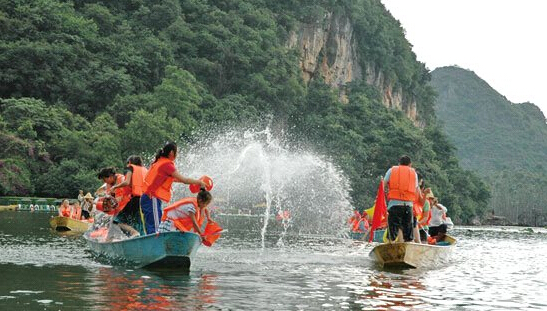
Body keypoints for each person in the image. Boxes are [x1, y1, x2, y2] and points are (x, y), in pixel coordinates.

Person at [140, 142, 207, 235]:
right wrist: (200, 182)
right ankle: (156, 248)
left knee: (153, 227)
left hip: (149, 198)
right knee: (155, 230)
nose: (177, 155)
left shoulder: (160, 161)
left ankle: (153, 247)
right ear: (171, 152)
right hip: (152, 198)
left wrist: (195, 182)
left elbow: (175, 179)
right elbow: (184, 180)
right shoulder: (167, 165)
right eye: (176, 152)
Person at [383, 155, 423, 242]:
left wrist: (385, 196)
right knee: (407, 231)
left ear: (399, 163)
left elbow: (384, 184)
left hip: (394, 205)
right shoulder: (414, 173)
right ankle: (407, 248)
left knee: (392, 231)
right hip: (408, 205)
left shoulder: (391, 170)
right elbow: (417, 190)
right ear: (410, 164)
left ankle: (392, 245)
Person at [109, 155, 148, 234]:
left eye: (127, 163)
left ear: (130, 162)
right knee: (137, 221)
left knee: (117, 221)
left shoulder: (130, 168)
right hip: (143, 198)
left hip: (134, 199)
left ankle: (134, 233)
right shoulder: (144, 170)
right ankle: (141, 236)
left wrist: (115, 187)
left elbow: (127, 182)